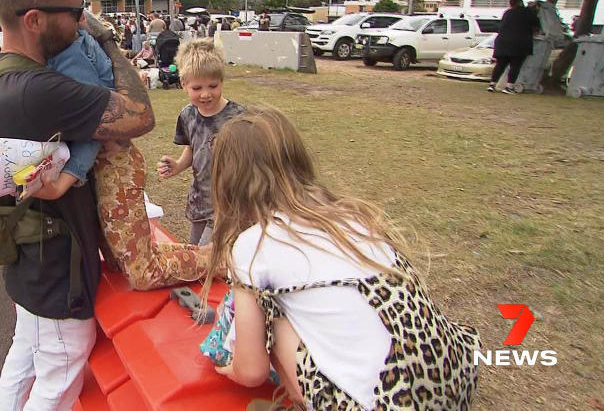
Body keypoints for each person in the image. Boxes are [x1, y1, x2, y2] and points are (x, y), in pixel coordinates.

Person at [199, 106, 482, 410]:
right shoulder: (350, 214)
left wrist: (236, 369)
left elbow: (252, 372)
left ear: (228, 182)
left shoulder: (253, 245)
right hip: (451, 381)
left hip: (386, 402)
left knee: (272, 317)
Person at [0, 0, 155, 411]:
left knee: (27, 358)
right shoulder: (44, 89)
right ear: (34, 19)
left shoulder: (5, 72)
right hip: (56, 266)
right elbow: (141, 114)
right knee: (60, 372)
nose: (83, 19)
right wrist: (104, 38)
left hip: (31, 260)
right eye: (76, 11)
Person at [45, 13, 210, 291]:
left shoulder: (69, 53)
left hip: (113, 164)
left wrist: (69, 175)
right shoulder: (70, 48)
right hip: (105, 165)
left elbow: (95, 126)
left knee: (141, 272)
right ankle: (211, 253)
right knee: (119, 260)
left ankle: (222, 259)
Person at [157, 40, 245, 246]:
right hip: (199, 202)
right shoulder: (187, 115)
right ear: (183, 84)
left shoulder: (239, 117)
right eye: (197, 87)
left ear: (222, 81)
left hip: (228, 206)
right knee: (193, 255)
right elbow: (193, 147)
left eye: (213, 86)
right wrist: (178, 165)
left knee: (207, 261)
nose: (205, 94)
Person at [489, 0, 540, 94]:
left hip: (502, 42)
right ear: (520, 3)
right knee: (515, 65)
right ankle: (509, 86)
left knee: (500, 64)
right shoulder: (528, 12)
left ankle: (492, 84)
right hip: (519, 43)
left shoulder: (507, 13)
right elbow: (536, 26)